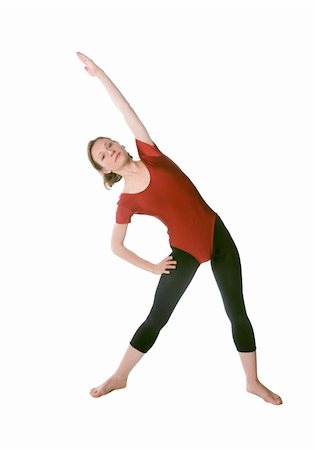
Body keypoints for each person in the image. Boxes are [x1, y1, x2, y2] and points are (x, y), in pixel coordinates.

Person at [77, 51, 283, 406]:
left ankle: (253, 381)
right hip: (184, 251)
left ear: (121, 145)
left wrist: (100, 75)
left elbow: (126, 109)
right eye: (102, 155)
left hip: (217, 233)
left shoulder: (151, 153)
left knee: (237, 310)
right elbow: (116, 246)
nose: (109, 151)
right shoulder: (127, 200)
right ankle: (120, 376)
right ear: (103, 169)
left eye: (109, 144)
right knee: (157, 317)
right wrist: (154, 267)